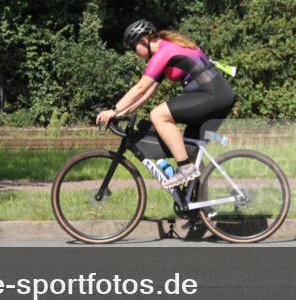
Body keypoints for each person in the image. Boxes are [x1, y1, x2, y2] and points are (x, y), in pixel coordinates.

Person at [96, 19, 236, 188]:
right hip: (216, 95)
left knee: (158, 114)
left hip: (212, 95)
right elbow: (148, 92)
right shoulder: (165, 50)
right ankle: (200, 207)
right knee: (189, 149)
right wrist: (121, 113)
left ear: (144, 40)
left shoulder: (165, 52)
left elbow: (140, 87)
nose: (135, 53)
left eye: (134, 47)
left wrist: (113, 110)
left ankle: (185, 168)